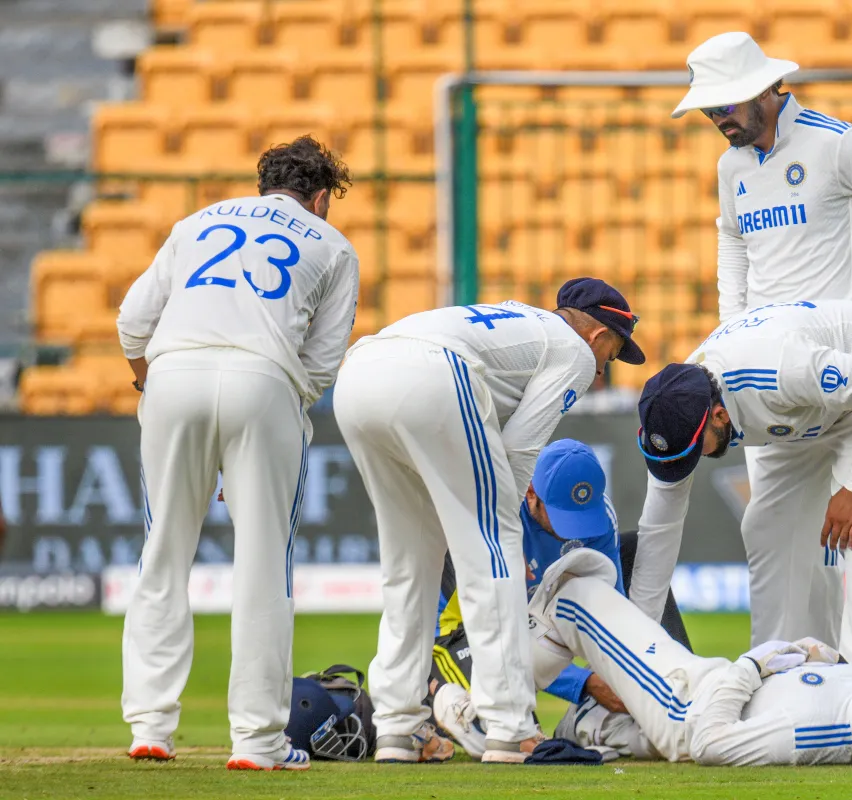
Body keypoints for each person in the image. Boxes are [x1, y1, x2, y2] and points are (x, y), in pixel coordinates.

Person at [665, 32, 852, 656]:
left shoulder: (835, 142)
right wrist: (731, 327)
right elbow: (732, 243)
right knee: (770, 528)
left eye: (725, 106)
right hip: (768, 375)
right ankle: (785, 678)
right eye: (710, 111)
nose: (718, 121)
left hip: (850, 371)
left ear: (764, 88)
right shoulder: (730, 166)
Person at [116, 136, 359, 770]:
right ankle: (256, 742)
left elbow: (130, 321)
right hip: (265, 381)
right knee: (263, 566)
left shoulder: (195, 223)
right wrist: (265, 427)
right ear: (319, 196)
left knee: (163, 550)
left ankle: (149, 728)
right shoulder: (332, 245)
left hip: (172, 375)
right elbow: (322, 362)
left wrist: (150, 385)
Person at [333, 278, 645, 764]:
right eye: (614, 352)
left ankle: (397, 724)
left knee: (408, 562)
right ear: (599, 335)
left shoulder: (523, 322)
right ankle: (511, 727)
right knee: (493, 550)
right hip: (433, 377)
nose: (605, 368)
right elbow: (520, 449)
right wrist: (506, 533)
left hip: (358, 374)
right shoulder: (577, 353)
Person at [445, 552, 852, 767]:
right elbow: (831, 673)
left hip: (681, 700)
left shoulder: (813, 733)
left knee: (575, 594)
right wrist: (812, 653)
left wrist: (753, 666)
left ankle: (478, 711)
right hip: (696, 679)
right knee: (586, 719)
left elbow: (707, 742)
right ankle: (564, 722)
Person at [630, 299, 852, 668]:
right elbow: (658, 535)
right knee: (765, 527)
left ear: (719, 415)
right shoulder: (677, 409)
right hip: (800, 413)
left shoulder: (782, 369)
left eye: (694, 450)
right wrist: (634, 651)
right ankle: (774, 678)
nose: (691, 462)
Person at [428, 438, 626, 756]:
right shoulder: (494, 516)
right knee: (512, 734)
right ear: (530, 494)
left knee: (523, 729)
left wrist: (624, 679)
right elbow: (496, 631)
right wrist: (587, 682)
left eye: (582, 516)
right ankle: (434, 696)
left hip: (523, 632)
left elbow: (614, 610)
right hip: (459, 634)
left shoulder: (600, 518)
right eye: (562, 516)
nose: (575, 532)